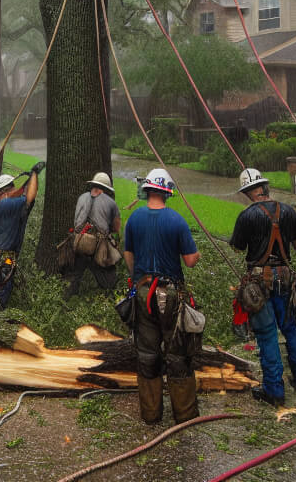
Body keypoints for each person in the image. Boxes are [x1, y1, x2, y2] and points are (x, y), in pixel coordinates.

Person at [123, 167, 201, 425]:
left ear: (147, 191)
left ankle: (151, 414)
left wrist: (137, 280)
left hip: (143, 292)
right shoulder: (177, 221)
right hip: (172, 295)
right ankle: (185, 416)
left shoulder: (133, 219)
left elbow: (128, 255)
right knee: (178, 354)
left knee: (147, 354)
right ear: (167, 192)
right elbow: (190, 261)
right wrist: (196, 254)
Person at [229, 167, 296, 407]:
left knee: (267, 336)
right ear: (265, 188)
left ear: (249, 192)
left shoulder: (247, 216)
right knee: (290, 329)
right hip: (285, 279)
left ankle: (274, 392)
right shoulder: (288, 211)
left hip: (258, 284)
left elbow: (237, 248)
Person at [0, 161, 45, 309]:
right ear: (7, 191)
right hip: (4, 260)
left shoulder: (3, 206)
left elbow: (24, 195)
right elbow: (30, 197)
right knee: (0, 297)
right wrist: (34, 173)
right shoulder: (7, 204)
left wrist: (29, 180)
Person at [65, 171, 122, 297]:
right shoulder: (111, 203)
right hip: (98, 246)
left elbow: (76, 221)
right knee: (109, 280)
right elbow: (117, 228)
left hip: (79, 242)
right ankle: (109, 300)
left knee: (74, 276)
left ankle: (66, 301)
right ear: (106, 188)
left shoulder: (82, 197)